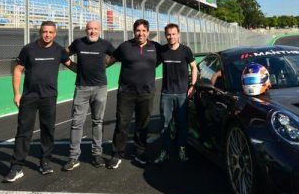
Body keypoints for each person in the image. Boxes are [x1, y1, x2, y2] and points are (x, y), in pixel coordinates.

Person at [4, 21, 74, 183]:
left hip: (49, 97)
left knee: (48, 130)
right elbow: (18, 70)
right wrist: (16, 93)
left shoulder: (59, 50)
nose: (47, 35)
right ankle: (16, 166)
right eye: (44, 31)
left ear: (55, 34)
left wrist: (92, 68)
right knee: (23, 132)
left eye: (50, 32)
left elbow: (72, 65)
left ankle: (45, 161)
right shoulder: (29, 49)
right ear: (40, 32)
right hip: (29, 97)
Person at [63, 20, 116, 171]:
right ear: (86, 30)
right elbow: (62, 55)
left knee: (97, 122)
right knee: (76, 123)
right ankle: (73, 157)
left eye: (95, 29)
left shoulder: (105, 44)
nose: (92, 31)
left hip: (100, 88)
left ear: (100, 30)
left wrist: (106, 64)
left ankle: (97, 154)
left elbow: (116, 56)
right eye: (90, 29)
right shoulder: (78, 43)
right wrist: (73, 67)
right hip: (82, 88)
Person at [108, 19, 161, 168]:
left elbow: (164, 59)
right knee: (122, 124)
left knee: (142, 125)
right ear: (134, 32)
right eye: (138, 30)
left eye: (144, 30)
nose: (140, 33)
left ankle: (140, 152)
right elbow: (109, 61)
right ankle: (117, 153)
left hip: (146, 93)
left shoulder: (156, 47)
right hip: (126, 93)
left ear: (148, 32)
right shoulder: (125, 46)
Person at [154, 23, 198, 164]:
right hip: (166, 93)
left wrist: (193, 85)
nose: (171, 36)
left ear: (178, 34)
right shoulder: (162, 51)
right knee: (165, 124)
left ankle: (182, 149)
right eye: (168, 34)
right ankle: (165, 151)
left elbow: (194, 67)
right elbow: (152, 65)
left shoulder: (186, 50)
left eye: (173, 34)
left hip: (182, 94)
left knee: (182, 124)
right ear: (165, 35)